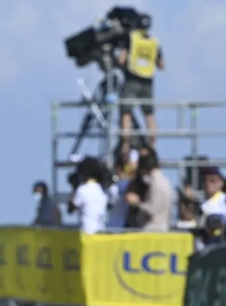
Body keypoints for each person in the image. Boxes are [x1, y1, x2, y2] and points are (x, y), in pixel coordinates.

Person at [116, 15, 164, 156]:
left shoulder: (131, 38)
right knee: (149, 114)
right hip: (148, 81)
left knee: (126, 112)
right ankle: (153, 146)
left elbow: (122, 59)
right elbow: (161, 65)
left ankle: (125, 144)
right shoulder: (154, 42)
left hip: (132, 79)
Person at [124, 146, 172, 231]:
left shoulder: (156, 183)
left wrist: (137, 203)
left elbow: (152, 210)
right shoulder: (166, 182)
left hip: (153, 230)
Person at [67, 157, 108, 234]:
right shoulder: (102, 190)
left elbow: (70, 209)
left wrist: (74, 188)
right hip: (101, 232)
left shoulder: (82, 190)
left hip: (88, 233)